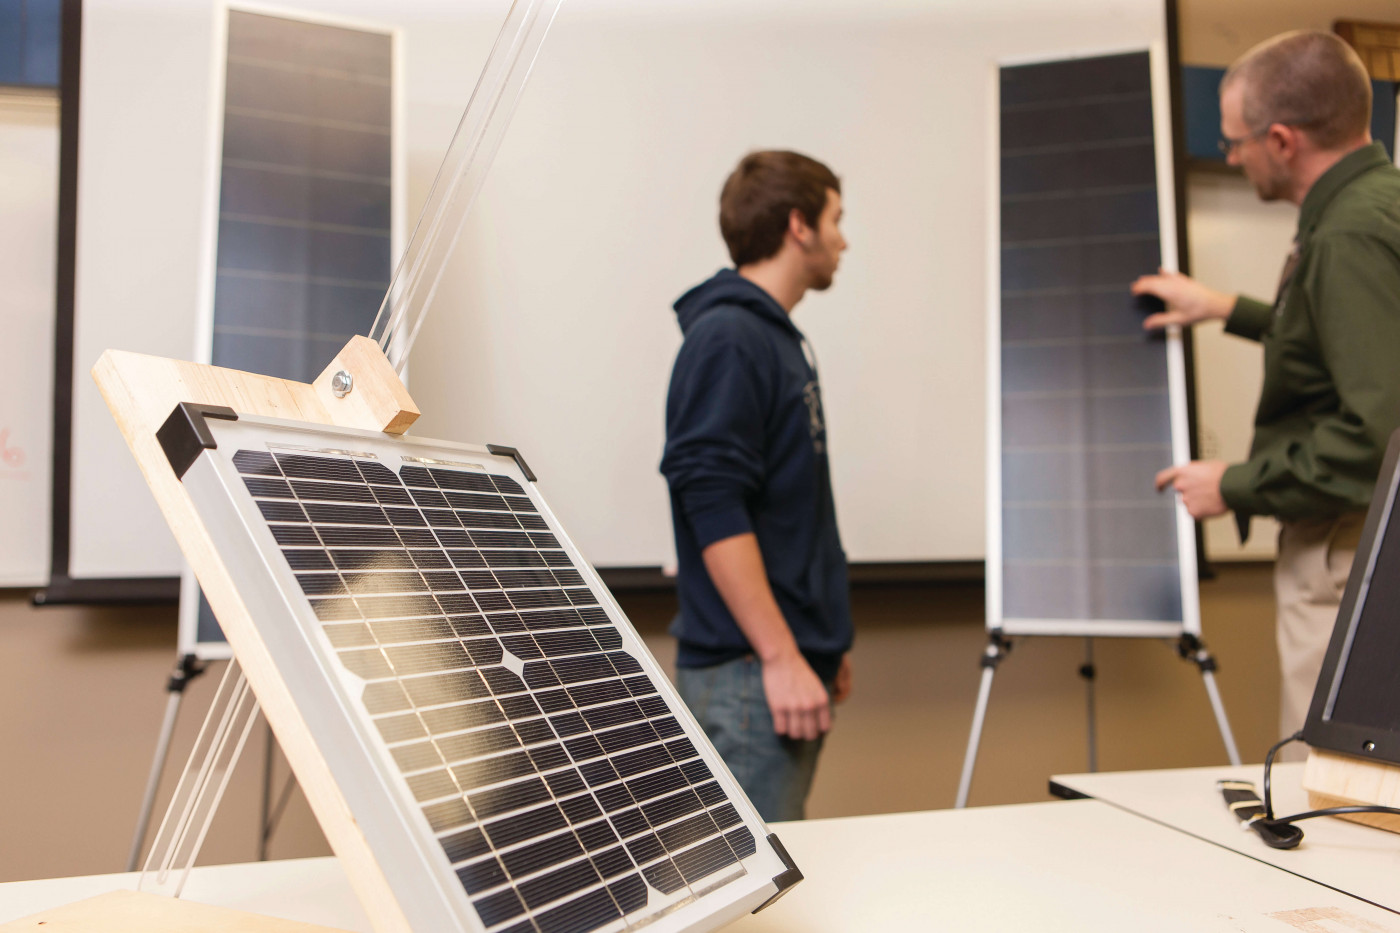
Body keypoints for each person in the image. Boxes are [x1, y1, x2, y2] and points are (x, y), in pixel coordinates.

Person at [1132, 31, 1400, 745]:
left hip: (1344, 557)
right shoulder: (1379, 204)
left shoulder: (1347, 237)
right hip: (1360, 549)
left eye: (1235, 140)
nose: (1230, 154)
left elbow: (1376, 436)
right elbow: (1349, 342)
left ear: (1282, 140)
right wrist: (1225, 308)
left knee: (1334, 791)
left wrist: (1237, 484)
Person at [659, 150, 854, 821]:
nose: (843, 239)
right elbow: (710, 500)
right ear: (799, 225)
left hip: (774, 666)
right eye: (836, 219)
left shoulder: (773, 339)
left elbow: (784, 508)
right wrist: (780, 654)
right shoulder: (730, 338)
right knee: (749, 911)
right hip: (749, 676)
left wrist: (819, 640)